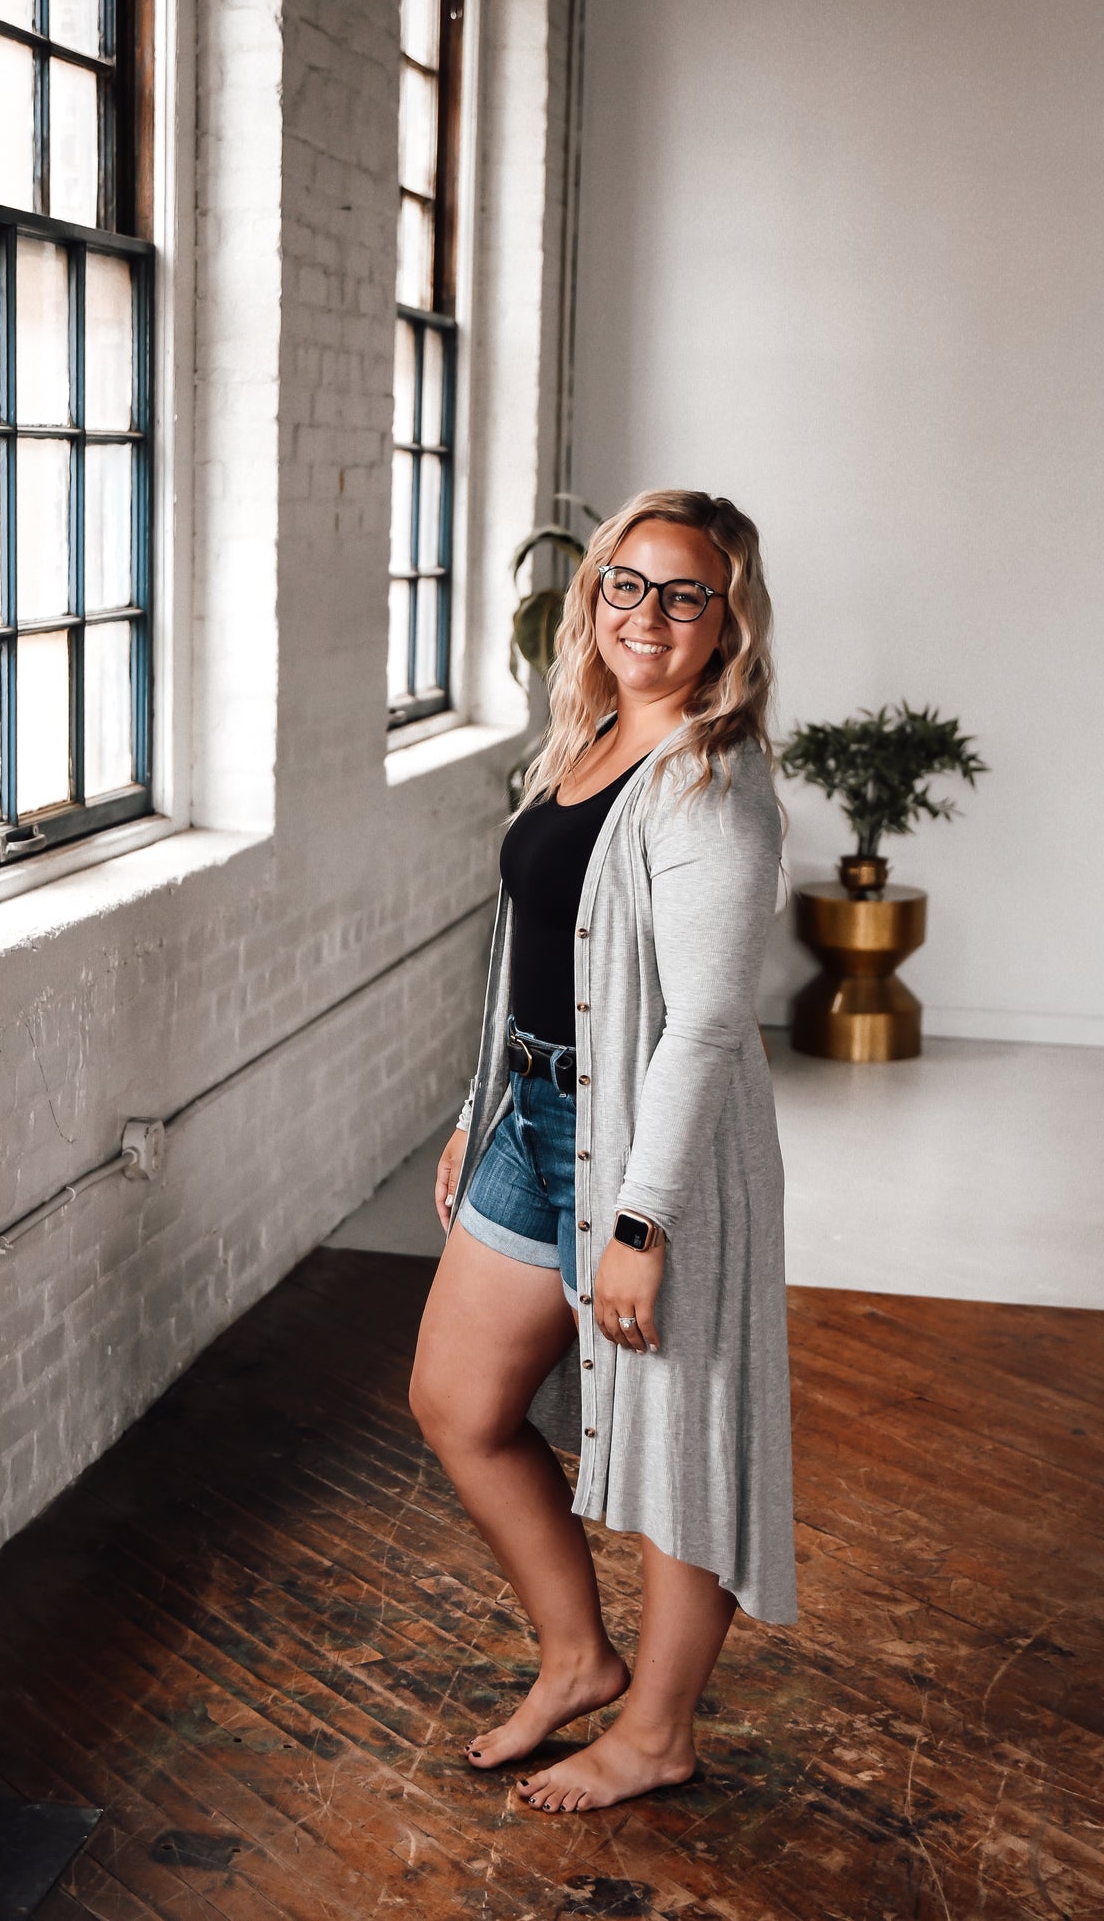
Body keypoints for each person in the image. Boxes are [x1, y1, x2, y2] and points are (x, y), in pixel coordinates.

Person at [409, 487, 797, 1814]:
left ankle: (656, 1731)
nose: (647, 613)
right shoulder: (579, 740)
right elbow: (529, 956)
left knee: (681, 1451)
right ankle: (577, 1659)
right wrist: (478, 1107)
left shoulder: (706, 788)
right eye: (626, 583)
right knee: (456, 1404)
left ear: (725, 620)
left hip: (646, 1156)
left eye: (684, 593)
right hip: (531, 1117)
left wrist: (642, 1220)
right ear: (594, 596)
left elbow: (699, 1027)